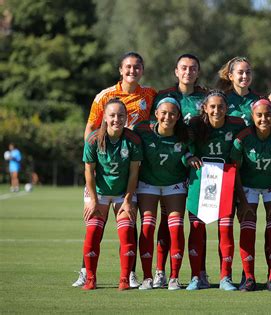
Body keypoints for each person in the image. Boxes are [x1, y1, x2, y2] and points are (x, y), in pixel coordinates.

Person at [73, 51, 157, 288]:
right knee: (94, 225)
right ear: (120, 70)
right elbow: (90, 127)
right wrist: (97, 157)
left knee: (129, 224)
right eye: (128, 67)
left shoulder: (150, 94)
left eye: (137, 67)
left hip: (134, 165)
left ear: (142, 69)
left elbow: (171, 106)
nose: (132, 71)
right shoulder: (105, 96)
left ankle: (129, 274)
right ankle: (85, 271)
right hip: (104, 168)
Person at [150, 54, 209, 289]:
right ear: (176, 71)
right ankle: (160, 272)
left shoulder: (205, 97)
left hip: (199, 168)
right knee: (167, 222)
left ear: (198, 72)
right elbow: (152, 128)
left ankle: (200, 272)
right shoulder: (164, 97)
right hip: (171, 168)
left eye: (193, 68)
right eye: (183, 68)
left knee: (198, 222)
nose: (188, 72)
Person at [185, 90, 246, 291]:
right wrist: (190, 156)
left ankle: (225, 277)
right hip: (200, 179)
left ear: (227, 108)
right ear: (205, 108)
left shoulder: (237, 125)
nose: (216, 110)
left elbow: (241, 150)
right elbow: (185, 147)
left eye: (221, 106)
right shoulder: (195, 124)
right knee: (196, 228)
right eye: (212, 106)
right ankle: (197, 276)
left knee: (226, 228)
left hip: (226, 179)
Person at [231, 98, 271, 292]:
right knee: (247, 228)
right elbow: (236, 171)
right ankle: (249, 277)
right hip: (248, 186)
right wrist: (242, 201)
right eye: (259, 115)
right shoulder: (243, 137)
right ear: (252, 116)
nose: (264, 118)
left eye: (268, 114)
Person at [81, 98, 142, 290]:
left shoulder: (133, 140)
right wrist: (92, 200)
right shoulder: (93, 139)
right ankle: (90, 278)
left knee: (126, 233)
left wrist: (127, 200)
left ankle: (125, 279)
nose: (117, 119)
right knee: (92, 233)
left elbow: (134, 173)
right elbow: (88, 172)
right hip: (97, 193)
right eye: (112, 115)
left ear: (126, 118)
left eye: (121, 115)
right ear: (105, 117)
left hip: (123, 193)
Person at [133, 97, 190, 290]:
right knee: (148, 226)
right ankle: (148, 277)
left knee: (175, 228)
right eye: (163, 112)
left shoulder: (184, 135)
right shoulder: (142, 130)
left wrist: (191, 157)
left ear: (178, 116)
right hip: (148, 184)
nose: (168, 116)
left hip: (174, 184)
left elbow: (191, 151)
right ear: (156, 114)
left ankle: (174, 277)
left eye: (172, 113)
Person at [216, 56, 260, 126]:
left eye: (248, 72)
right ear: (231, 76)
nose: (245, 76)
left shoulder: (259, 99)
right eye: (240, 72)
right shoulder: (222, 99)